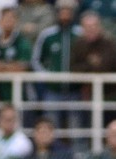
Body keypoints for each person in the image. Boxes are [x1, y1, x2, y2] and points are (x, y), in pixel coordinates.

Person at [31, 0, 82, 131]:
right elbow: (36, 60)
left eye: (68, 11)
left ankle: (78, 151)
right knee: (51, 125)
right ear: (57, 13)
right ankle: (53, 151)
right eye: (62, 11)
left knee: (76, 127)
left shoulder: (80, 34)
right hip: (52, 90)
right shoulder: (48, 35)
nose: (65, 15)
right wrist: (47, 76)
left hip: (75, 90)